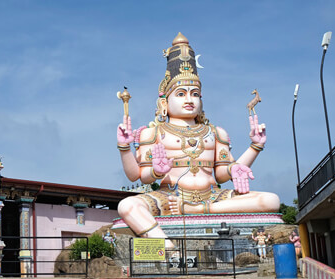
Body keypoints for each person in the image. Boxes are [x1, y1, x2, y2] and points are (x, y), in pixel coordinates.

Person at [117, 33, 280, 247]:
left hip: (214, 198)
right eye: (181, 94)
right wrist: (126, 149)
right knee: (127, 206)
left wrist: (255, 147)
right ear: (165, 101)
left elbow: (222, 174)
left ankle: (198, 211)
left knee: (271, 200)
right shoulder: (154, 133)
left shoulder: (214, 132)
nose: (189, 100)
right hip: (170, 198)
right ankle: (166, 247)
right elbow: (137, 177)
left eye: (195, 94)